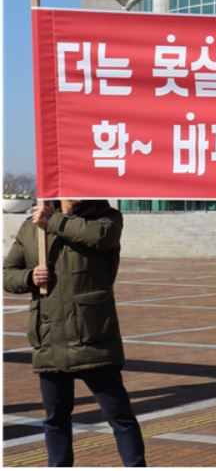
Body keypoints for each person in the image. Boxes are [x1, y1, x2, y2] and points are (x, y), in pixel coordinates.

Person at [3, 199, 146, 467]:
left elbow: (100, 237)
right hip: (50, 337)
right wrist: (29, 277)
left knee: (120, 416)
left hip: (93, 337)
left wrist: (52, 221)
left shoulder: (107, 219)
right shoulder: (31, 227)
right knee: (55, 420)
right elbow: (7, 273)